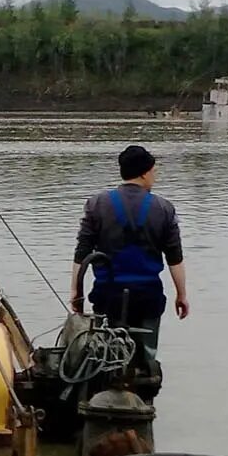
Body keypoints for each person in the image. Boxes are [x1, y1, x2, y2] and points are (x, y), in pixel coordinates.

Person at [69, 143, 188, 363]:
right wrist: (182, 295)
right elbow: (175, 259)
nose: (155, 176)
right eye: (154, 171)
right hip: (148, 297)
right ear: (144, 173)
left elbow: (82, 254)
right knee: (146, 360)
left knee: (105, 357)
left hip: (106, 296)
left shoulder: (96, 204)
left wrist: (76, 293)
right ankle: (144, 382)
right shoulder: (164, 208)